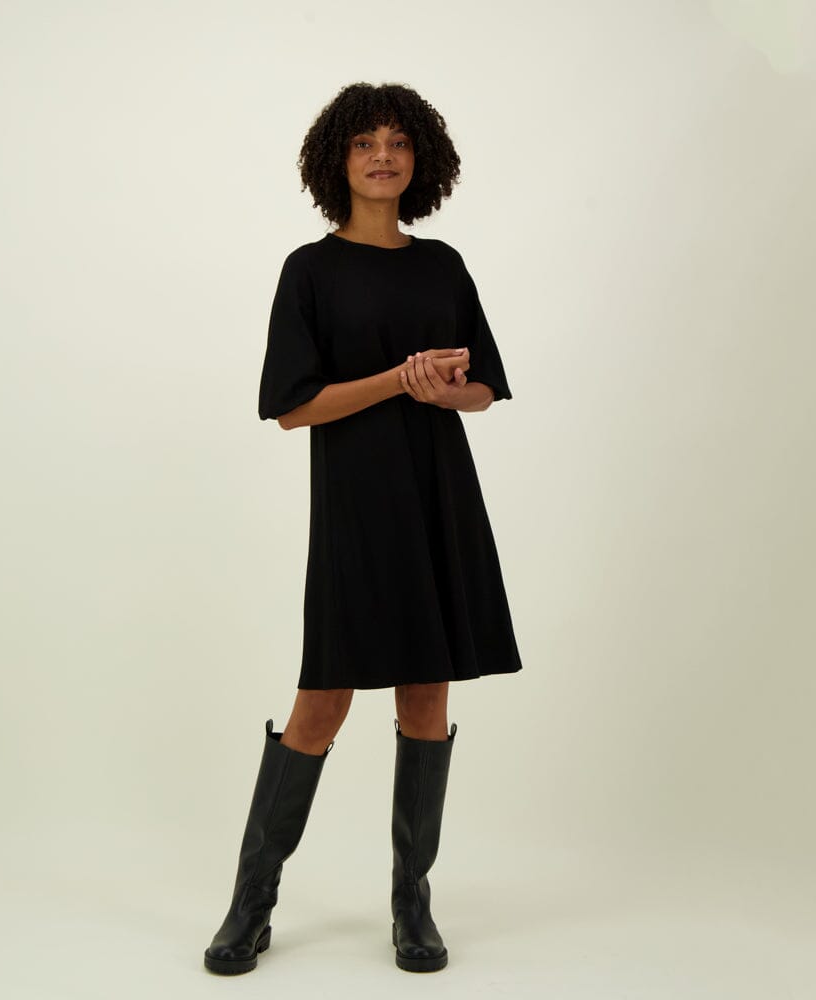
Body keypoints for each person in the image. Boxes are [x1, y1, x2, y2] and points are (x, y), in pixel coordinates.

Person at [204, 81, 521, 976]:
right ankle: (250, 904)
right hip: (356, 504)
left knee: (426, 697)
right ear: (336, 160)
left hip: (438, 495)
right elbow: (291, 407)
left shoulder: (443, 265)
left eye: (398, 143)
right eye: (364, 143)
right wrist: (396, 379)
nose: (383, 156)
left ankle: (411, 901)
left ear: (422, 160)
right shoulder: (310, 270)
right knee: (323, 699)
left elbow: (484, 388)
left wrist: (442, 390)